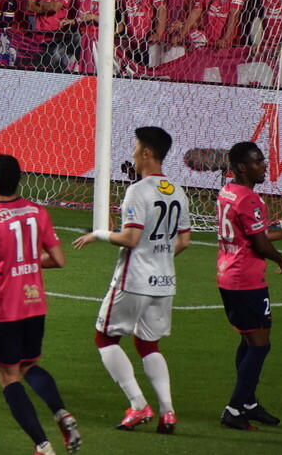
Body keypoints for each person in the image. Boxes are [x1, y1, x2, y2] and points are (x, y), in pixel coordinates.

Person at [0, 154, 81, 455]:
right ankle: (62, 414)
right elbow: (59, 259)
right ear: (19, 180)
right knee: (29, 365)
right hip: (35, 304)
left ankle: (42, 445)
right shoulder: (38, 212)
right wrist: (26, 262)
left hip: (4, 308)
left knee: (7, 376)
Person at [73, 127, 190, 434]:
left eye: (137, 148)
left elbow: (131, 238)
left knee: (105, 339)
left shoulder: (138, 191)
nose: (134, 154)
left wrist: (98, 234)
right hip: (164, 281)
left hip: (134, 280)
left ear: (147, 153)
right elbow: (184, 241)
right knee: (148, 343)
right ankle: (168, 411)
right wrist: (159, 259)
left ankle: (138, 405)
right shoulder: (178, 191)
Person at [216, 142, 282, 430]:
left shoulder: (228, 191)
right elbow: (259, 244)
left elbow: (252, 232)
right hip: (247, 280)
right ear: (242, 167)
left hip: (228, 274)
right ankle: (234, 409)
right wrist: (280, 258)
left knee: (249, 340)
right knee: (259, 346)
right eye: (257, 161)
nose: (264, 166)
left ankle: (248, 404)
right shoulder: (250, 199)